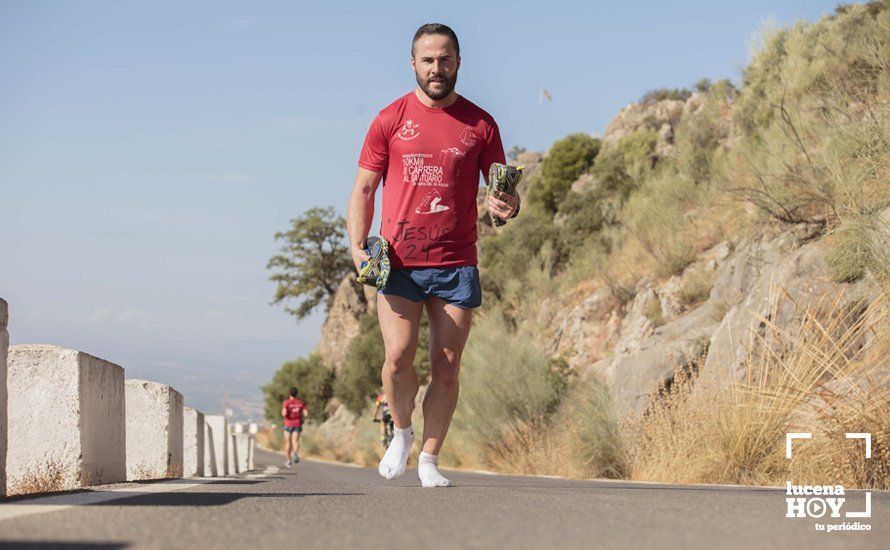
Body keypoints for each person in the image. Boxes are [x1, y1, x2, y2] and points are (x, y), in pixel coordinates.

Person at [347, 23, 519, 487]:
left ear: (459, 62)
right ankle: (401, 434)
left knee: (446, 366)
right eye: (428, 60)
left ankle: (429, 460)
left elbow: (501, 191)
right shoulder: (389, 119)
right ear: (413, 65)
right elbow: (364, 188)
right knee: (399, 357)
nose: (436, 69)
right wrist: (357, 247)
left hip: (456, 262)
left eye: (445, 59)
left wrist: (507, 204)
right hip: (399, 263)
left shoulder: (481, 124)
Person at [281, 387, 308, 467]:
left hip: (288, 424)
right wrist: (300, 415)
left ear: (290, 393)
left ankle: (288, 460)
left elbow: (284, 413)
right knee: (295, 440)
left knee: (288, 442)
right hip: (297, 424)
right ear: (297, 393)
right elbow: (306, 414)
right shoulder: (300, 403)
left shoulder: (286, 402)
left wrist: (288, 413)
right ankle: (295, 452)